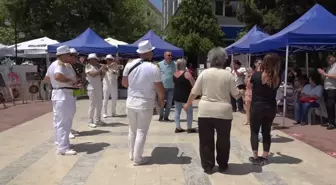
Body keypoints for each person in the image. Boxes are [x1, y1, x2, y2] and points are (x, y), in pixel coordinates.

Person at [183, 47, 244, 174]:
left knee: (205, 140)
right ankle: (222, 164)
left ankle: (208, 166)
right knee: (223, 140)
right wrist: (243, 90)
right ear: (224, 60)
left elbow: (194, 92)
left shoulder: (204, 73)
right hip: (224, 112)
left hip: (205, 111)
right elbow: (236, 95)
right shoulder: (228, 75)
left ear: (210, 60)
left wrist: (188, 104)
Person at [122, 40, 165, 166]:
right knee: (141, 131)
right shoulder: (153, 68)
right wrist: (161, 101)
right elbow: (159, 88)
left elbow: (124, 84)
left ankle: (132, 154)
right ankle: (137, 158)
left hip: (130, 101)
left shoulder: (129, 65)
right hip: (145, 103)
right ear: (149, 52)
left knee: (132, 129)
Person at [45, 45, 79, 155]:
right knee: (64, 122)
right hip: (63, 94)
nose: (70, 56)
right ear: (63, 55)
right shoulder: (60, 64)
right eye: (69, 54)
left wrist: (56, 85)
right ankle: (63, 148)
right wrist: (71, 81)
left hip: (58, 93)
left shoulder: (52, 64)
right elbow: (58, 76)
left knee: (58, 121)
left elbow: (46, 79)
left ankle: (61, 143)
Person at [249, 53, 281, 166]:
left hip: (257, 107)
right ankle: (265, 156)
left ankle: (255, 156)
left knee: (254, 131)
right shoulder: (277, 77)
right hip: (270, 107)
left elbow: (249, 87)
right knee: (266, 132)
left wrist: (257, 71)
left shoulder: (256, 75)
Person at [173, 59, 196, 133]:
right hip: (186, 96)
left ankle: (178, 127)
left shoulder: (175, 74)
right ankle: (189, 128)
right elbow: (194, 84)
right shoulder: (187, 73)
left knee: (177, 111)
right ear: (184, 65)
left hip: (176, 95)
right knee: (189, 112)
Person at [86, 53, 107, 128]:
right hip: (92, 88)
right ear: (90, 60)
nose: (96, 60)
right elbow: (93, 74)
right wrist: (101, 68)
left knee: (99, 104)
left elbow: (101, 77)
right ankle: (90, 121)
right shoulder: (88, 66)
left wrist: (104, 71)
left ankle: (98, 120)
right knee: (92, 105)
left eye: (96, 59)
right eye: (94, 59)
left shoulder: (97, 67)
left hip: (98, 87)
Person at [318, 54, 336, 130]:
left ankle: (332, 122)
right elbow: (324, 77)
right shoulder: (329, 67)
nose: (328, 60)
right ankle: (330, 121)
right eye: (327, 59)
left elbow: (335, 76)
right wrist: (322, 74)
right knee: (328, 106)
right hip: (326, 88)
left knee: (330, 105)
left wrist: (325, 74)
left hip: (333, 88)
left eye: (330, 58)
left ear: (334, 58)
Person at [158, 51, 176, 121]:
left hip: (172, 87)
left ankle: (166, 117)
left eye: (171, 55)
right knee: (161, 102)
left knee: (169, 103)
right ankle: (161, 115)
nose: (170, 56)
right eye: (169, 55)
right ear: (165, 56)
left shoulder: (175, 64)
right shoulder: (159, 64)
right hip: (162, 87)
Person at [244, 59, 262, 125]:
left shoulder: (262, 72)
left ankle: (254, 120)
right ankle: (247, 120)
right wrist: (248, 75)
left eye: (261, 63)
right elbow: (245, 82)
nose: (260, 65)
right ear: (255, 64)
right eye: (259, 63)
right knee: (247, 107)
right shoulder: (251, 72)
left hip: (256, 92)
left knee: (256, 108)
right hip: (249, 91)